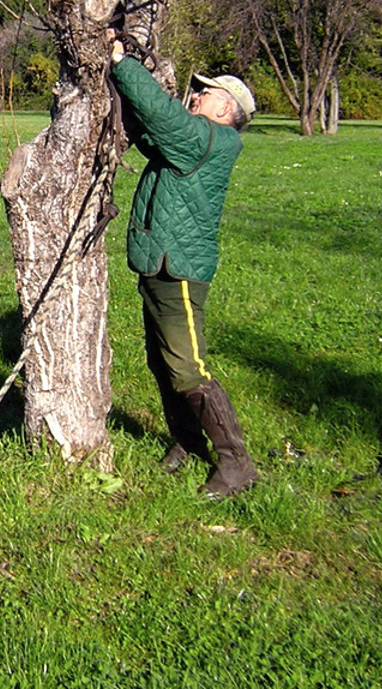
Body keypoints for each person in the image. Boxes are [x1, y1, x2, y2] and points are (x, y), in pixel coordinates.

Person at [108, 31, 259, 499]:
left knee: (189, 369)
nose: (194, 95)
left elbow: (162, 116)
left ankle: (237, 463)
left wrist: (121, 61)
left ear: (224, 109)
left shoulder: (213, 140)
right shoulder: (191, 141)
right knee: (161, 363)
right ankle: (188, 443)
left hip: (181, 275)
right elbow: (151, 126)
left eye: (205, 92)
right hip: (158, 265)